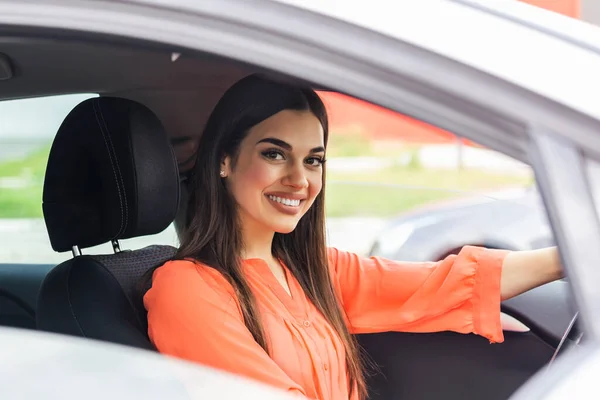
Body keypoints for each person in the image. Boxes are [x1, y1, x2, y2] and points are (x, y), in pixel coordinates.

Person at [142, 74, 563, 400]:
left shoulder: (314, 271)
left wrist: (570, 259)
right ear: (224, 162)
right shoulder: (187, 289)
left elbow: (444, 283)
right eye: (274, 154)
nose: (299, 180)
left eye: (313, 160)